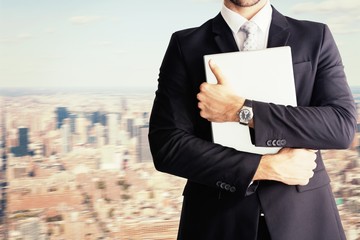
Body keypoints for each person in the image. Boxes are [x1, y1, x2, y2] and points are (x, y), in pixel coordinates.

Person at [148, 0, 357, 239]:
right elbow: (168, 145)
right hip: (217, 221)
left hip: (305, 218)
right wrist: (262, 168)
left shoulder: (315, 36)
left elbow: (341, 126)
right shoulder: (185, 45)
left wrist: (240, 111)